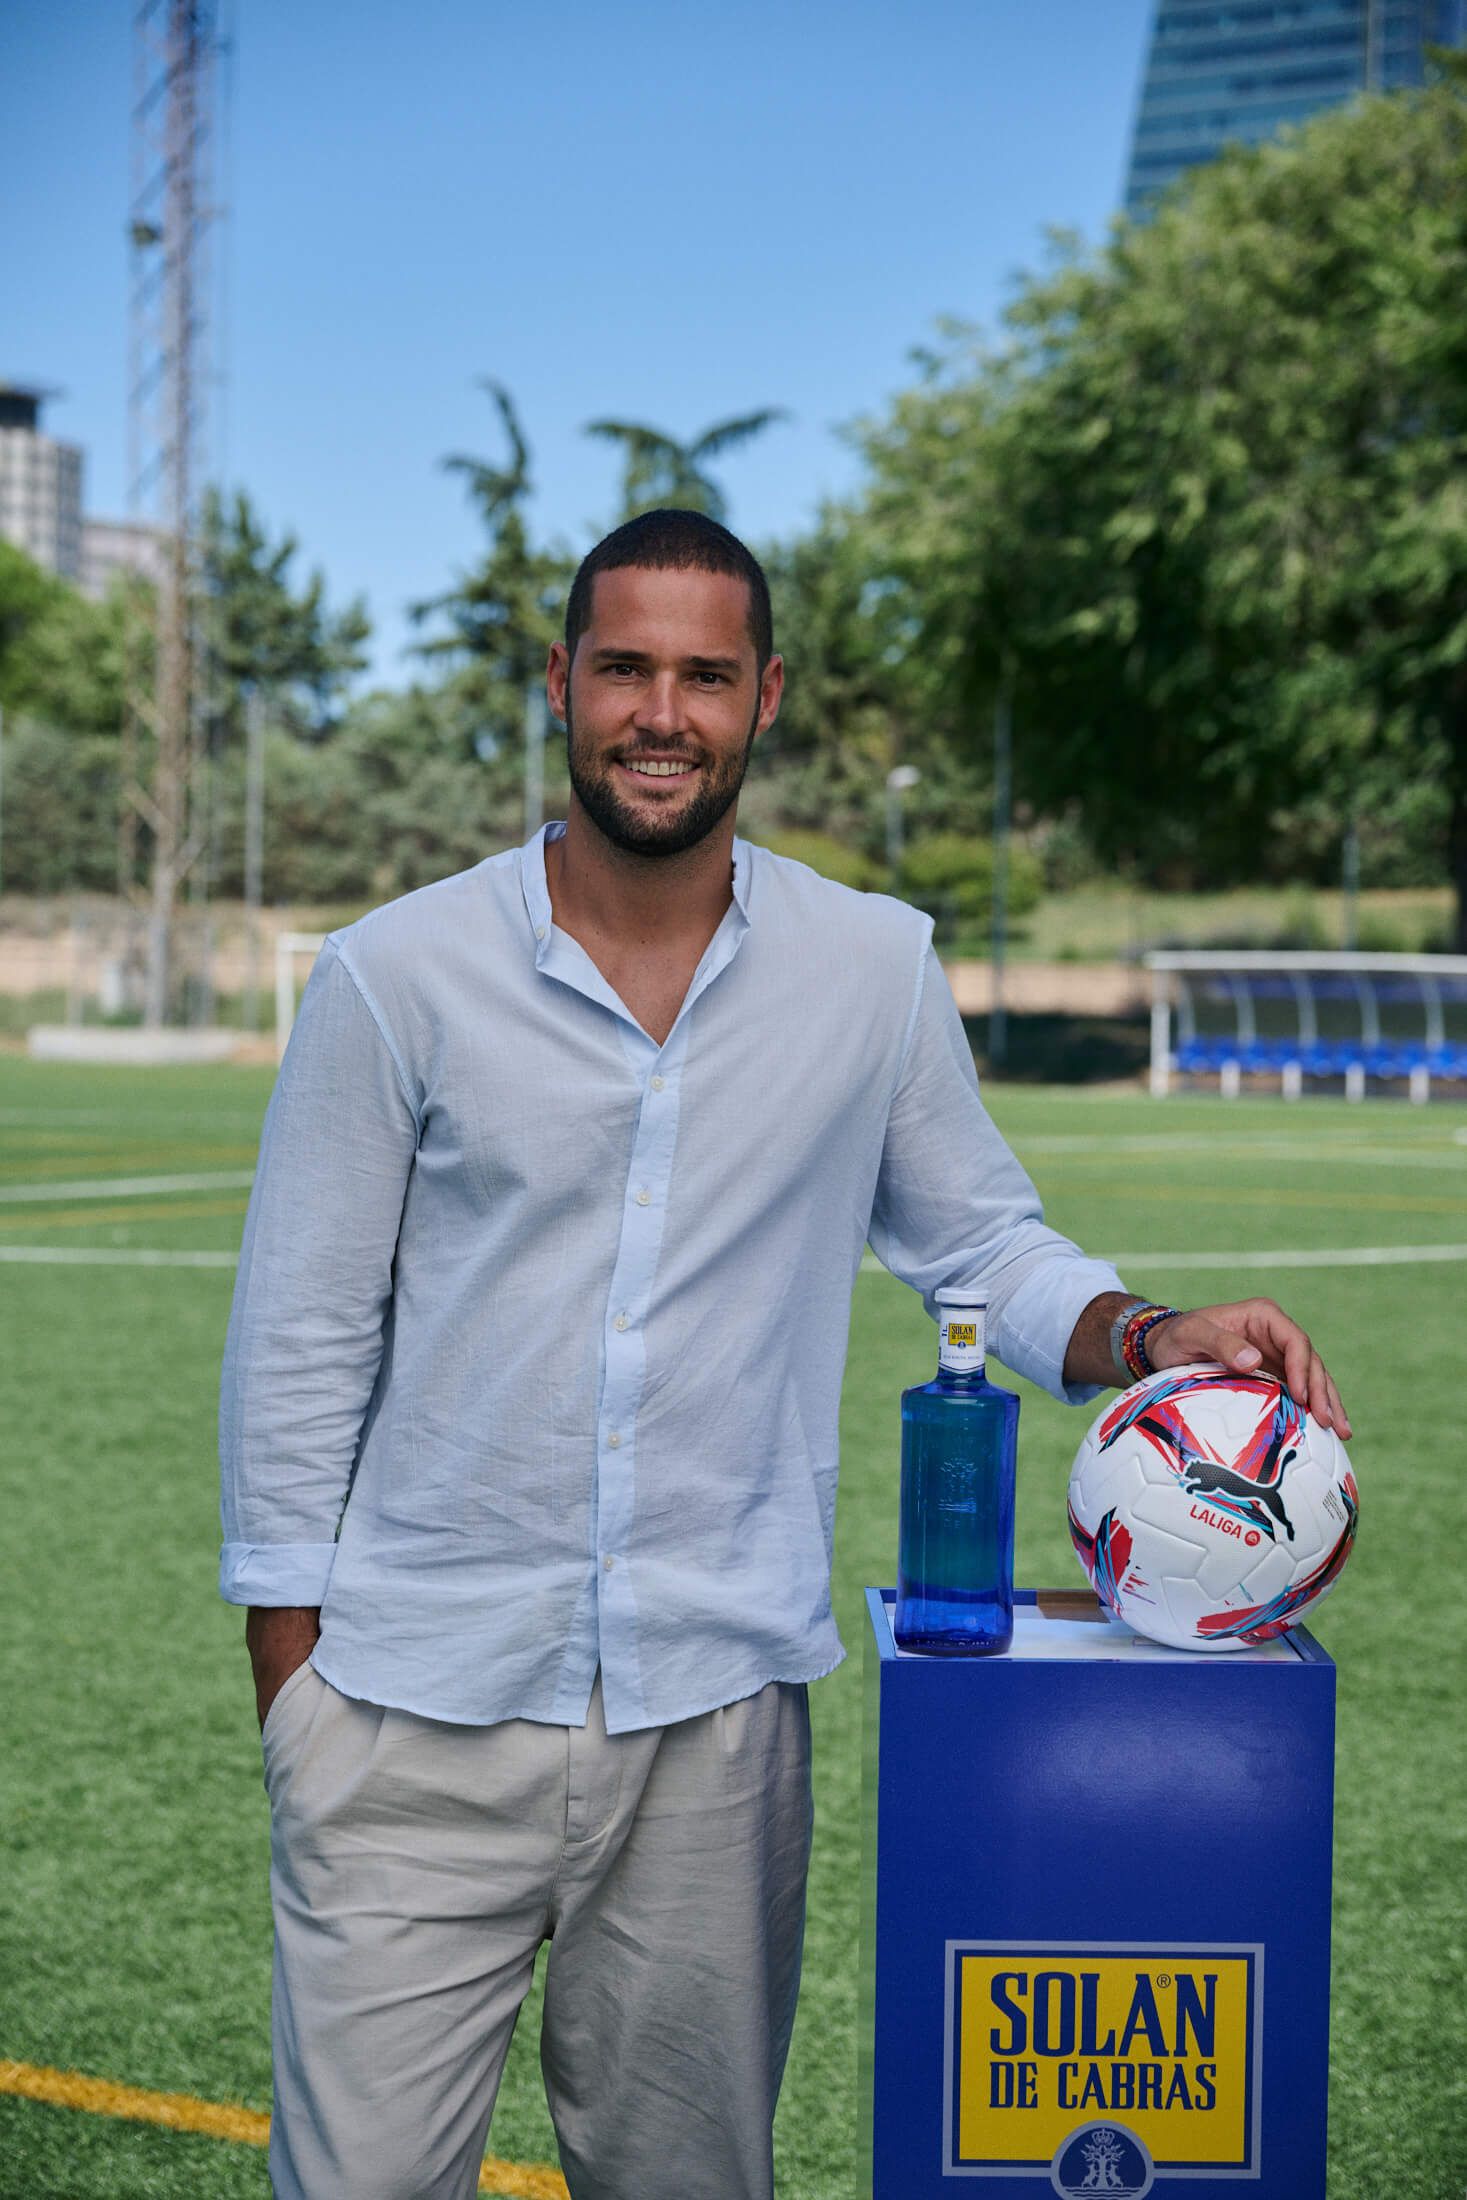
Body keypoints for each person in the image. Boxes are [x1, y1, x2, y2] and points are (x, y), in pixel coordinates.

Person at [220, 508, 1349, 2200]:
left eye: (703, 675)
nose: (658, 713)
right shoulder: (393, 977)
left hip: (714, 1731)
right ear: (559, 684)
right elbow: (298, 1345)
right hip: (407, 1714)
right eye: (622, 669)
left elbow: (983, 1241)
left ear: (764, 701)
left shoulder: (874, 967)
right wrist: (299, 1698)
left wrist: (1148, 1332)